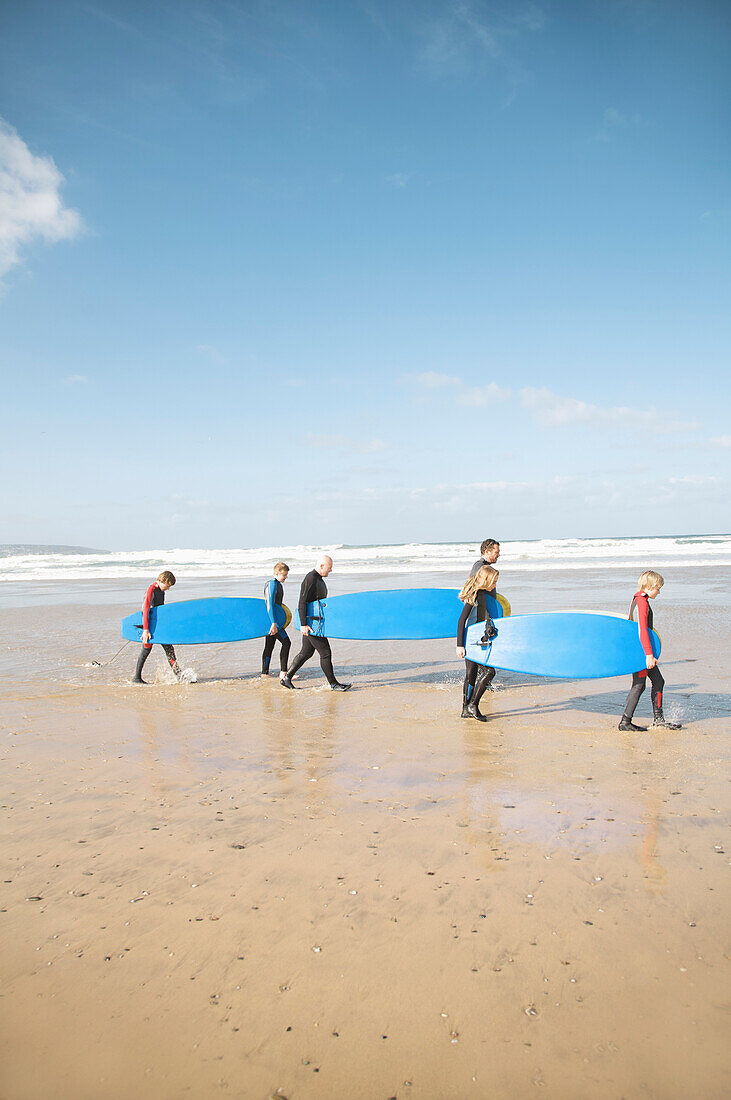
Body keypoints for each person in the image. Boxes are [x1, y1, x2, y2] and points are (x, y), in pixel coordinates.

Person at [619, 570, 681, 731]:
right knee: (639, 685)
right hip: (641, 653)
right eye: (658, 588)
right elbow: (642, 630)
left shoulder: (638, 599)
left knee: (658, 681)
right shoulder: (641, 602)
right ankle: (625, 722)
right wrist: (648, 654)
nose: (659, 592)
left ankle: (659, 720)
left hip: (641, 651)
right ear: (650, 586)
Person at [281, 555, 351, 691]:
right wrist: (303, 624)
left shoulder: (318, 579)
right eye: (329, 568)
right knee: (325, 652)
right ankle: (333, 684)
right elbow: (302, 601)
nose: (331, 570)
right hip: (312, 624)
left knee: (306, 653)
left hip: (315, 622)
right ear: (321, 566)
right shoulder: (311, 578)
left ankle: (286, 678)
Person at [456, 564, 500, 721]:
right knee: (489, 672)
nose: (495, 585)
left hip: (476, 638)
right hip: (471, 640)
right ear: (486, 581)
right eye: (494, 582)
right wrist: (459, 645)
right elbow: (462, 620)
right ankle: (473, 705)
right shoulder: (475, 594)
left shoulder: (481, 594)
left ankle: (465, 709)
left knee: (472, 674)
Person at [133, 570, 181, 684]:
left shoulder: (160, 590)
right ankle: (136, 678)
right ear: (161, 581)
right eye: (167, 585)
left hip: (158, 625)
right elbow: (145, 609)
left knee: (169, 649)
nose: (168, 588)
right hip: (150, 626)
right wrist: (145, 629)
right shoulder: (151, 590)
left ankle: (179, 675)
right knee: (146, 649)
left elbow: (160, 609)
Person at [261, 562, 291, 681]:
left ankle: (264, 673)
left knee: (269, 645)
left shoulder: (278, 584)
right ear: (276, 573)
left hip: (274, 621)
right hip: (273, 622)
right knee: (286, 643)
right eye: (284, 575)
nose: (286, 577)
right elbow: (269, 605)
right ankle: (283, 673)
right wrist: (274, 623)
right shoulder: (272, 584)